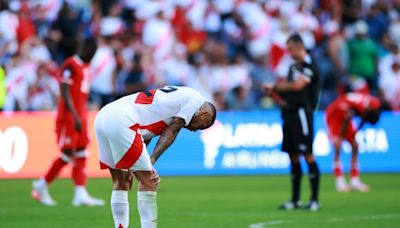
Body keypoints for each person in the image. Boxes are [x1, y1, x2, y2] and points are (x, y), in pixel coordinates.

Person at [94, 86, 216, 228]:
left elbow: (145, 135)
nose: (195, 130)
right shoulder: (195, 100)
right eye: (201, 126)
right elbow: (173, 129)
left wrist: (140, 163)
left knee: (121, 179)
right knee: (149, 181)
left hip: (104, 116)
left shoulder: (174, 102)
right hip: (123, 121)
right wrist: (151, 162)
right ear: (204, 114)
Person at [32, 38, 105, 207]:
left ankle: (80, 193)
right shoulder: (70, 65)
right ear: (85, 48)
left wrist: (82, 114)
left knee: (81, 152)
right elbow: (64, 91)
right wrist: (74, 115)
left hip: (81, 116)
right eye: (91, 53)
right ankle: (41, 185)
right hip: (69, 118)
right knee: (67, 154)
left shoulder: (86, 67)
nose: (92, 57)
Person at [264, 34, 321, 211]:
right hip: (289, 114)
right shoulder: (292, 67)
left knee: (307, 154)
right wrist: (275, 93)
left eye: (290, 49)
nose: (289, 53)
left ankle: (314, 200)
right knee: (293, 155)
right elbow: (289, 91)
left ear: (299, 47)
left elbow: (297, 87)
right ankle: (295, 199)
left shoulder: (309, 66)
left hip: (302, 114)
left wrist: (275, 86)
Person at [326, 92, 381, 192]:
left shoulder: (374, 104)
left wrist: (356, 132)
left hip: (345, 114)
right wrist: (341, 137)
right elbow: (346, 121)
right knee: (338, 146)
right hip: (335, 114)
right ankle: (340, 181)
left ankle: (354, 180)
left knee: (355, 146)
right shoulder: (352, 108)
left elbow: (364, 118)